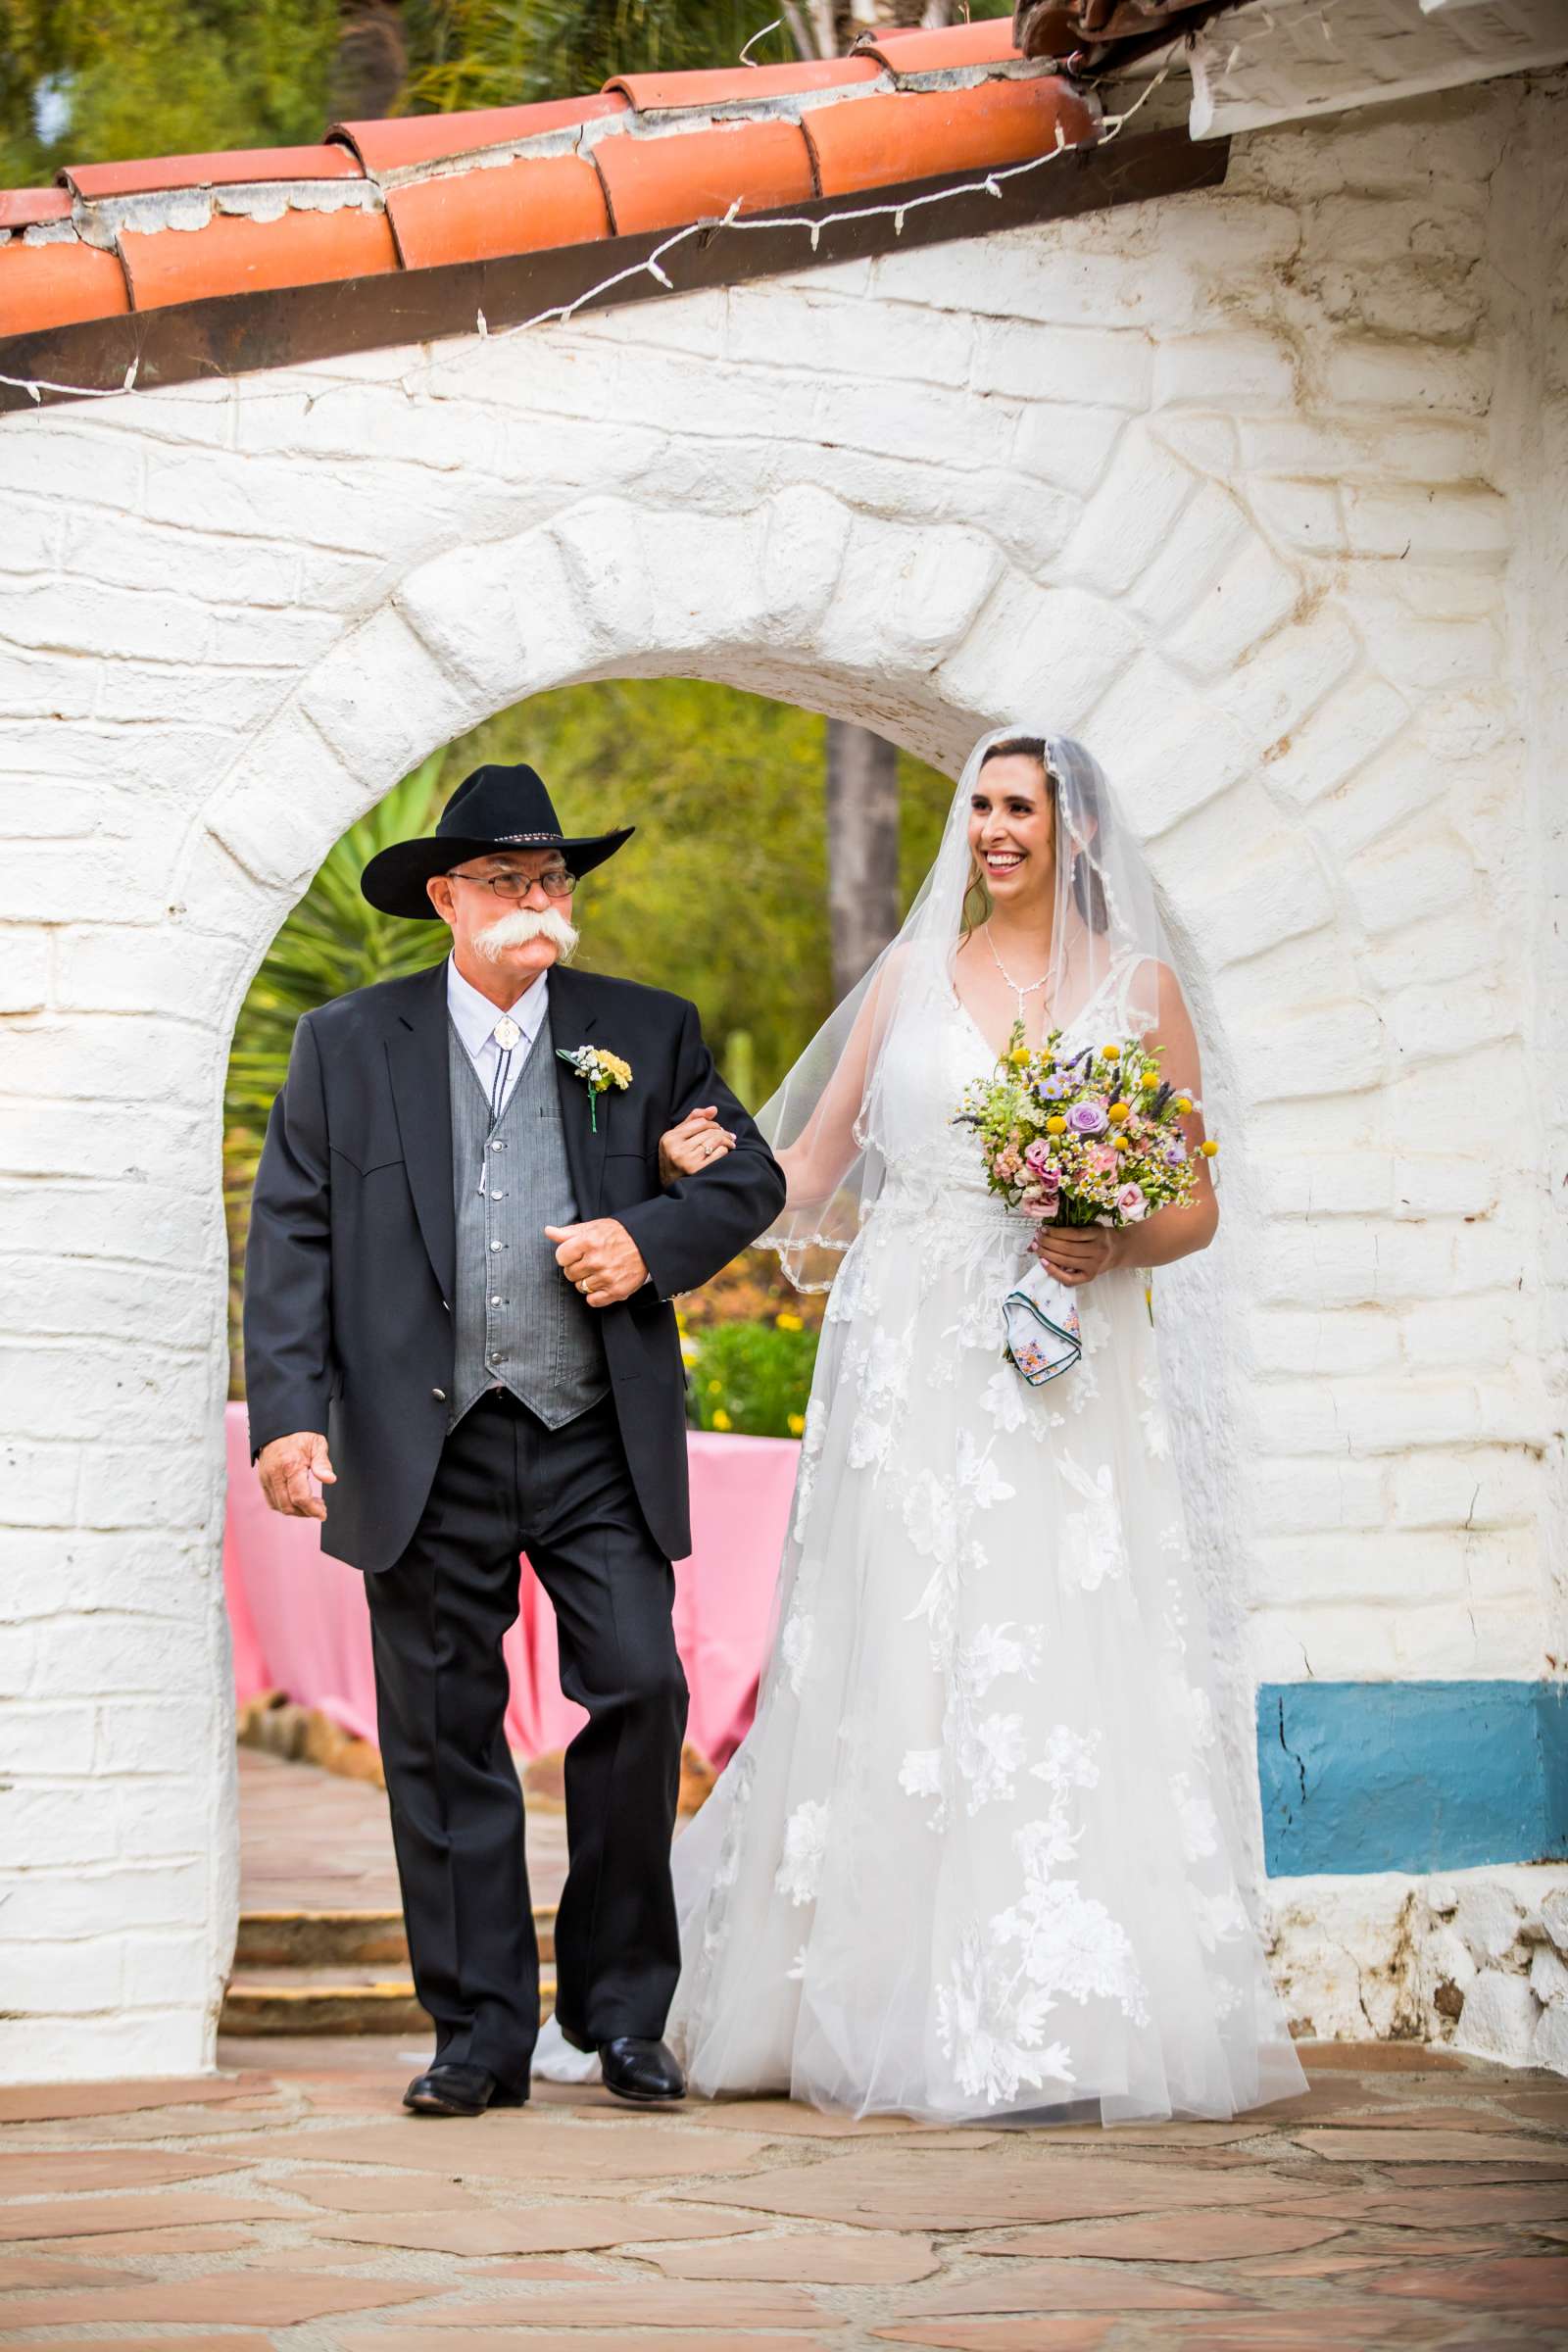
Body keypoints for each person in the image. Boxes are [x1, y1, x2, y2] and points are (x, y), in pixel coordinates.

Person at [635, 727, 1306, 2123]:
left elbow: (1195, 1206)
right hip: (908, 1347)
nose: (997, 828)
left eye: (1024, 808)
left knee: (1045, 1633)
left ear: (1076, 831)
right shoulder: (908, 979)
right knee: (901, 1638)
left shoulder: (1139, 992)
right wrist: (678, 1153)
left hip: (1061, 1352)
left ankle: (1055, 2013)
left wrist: (1108, 1244)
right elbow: (810, 1170)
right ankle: (859, 1995)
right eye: (983, 806)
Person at [243, 761, 784, 2118]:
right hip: (424, 1439)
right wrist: (292, 1417)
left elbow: (747, 1179)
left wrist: (648, 1242)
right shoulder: (346, 1044)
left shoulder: (643, 1033)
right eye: (510, 879)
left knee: (641, 1692)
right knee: (441, 1734)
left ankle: (618, 2010)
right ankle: (479, 2030)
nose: (540, 899)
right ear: (447, 897)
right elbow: (295, 1236)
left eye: (555, 880)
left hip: (593, 1428)